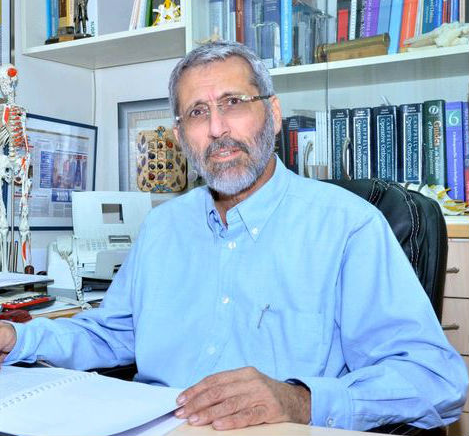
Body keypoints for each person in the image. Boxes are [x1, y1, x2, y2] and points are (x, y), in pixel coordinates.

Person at [0, 41, 467, 432]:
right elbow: (112, 335)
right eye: (197, 112)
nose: (217, 129)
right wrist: (16, 338)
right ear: (181, 137)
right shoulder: (162, 227)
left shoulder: (349, 226)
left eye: (234, 103)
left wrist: (300, 400)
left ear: (274, 114)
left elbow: (436, 379)